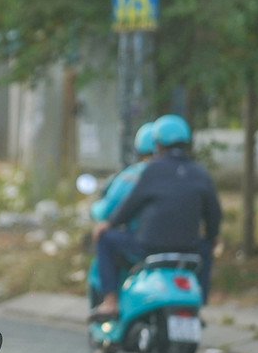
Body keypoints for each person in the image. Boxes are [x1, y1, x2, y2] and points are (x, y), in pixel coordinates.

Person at [90, 114, 222, 319]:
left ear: (158, 144)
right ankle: (198, 303)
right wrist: (212, 236)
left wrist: (111, 224)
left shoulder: (152, 170)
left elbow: (131, 205)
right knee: (206, 248)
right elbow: (214, 212)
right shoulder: (199, 172)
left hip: (149, 246)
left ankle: (110, 301)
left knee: (106, 239)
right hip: (189, 246)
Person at [91, 122, 156, 224]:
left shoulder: (131, 176)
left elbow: (105, 210)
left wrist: (94, 208)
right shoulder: (182, 174)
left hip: (138, 237)